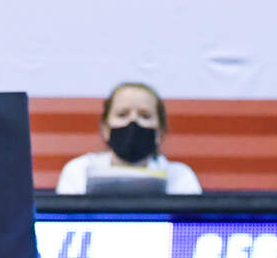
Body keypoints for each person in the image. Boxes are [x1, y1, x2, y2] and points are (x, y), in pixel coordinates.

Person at [55, 81, 201, 195]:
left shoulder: (180, 177)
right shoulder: (79, 171)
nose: (133, 121)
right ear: (105, 129)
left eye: (145, 115)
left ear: (160, 133)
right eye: (122, 114)